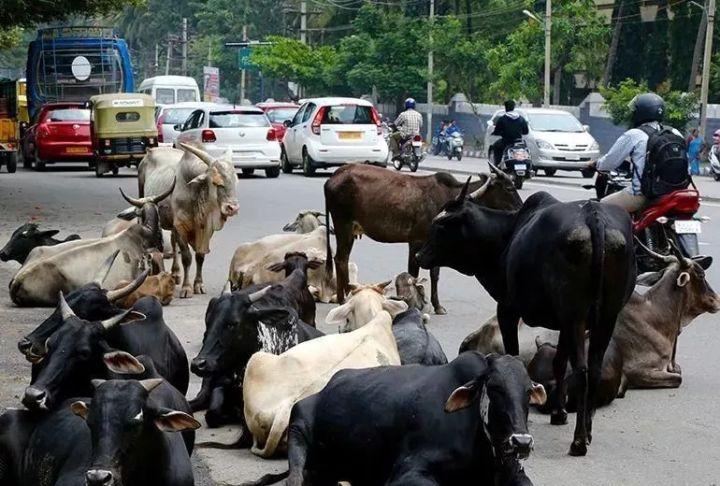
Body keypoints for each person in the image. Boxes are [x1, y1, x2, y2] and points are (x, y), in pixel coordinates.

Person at [592, 92, 686, 213]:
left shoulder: (634, 134)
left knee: (597, 208)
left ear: (640, 112)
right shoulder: (675, 132)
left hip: (643, 195)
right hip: (675, 193)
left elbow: (609, 163)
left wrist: (594, 165)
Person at [490, 100, 529, 166]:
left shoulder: (502, 119)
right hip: (518, 142)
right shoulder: (521, 119)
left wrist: (495, 133)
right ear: (514, 107)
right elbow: (526, 131)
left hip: (506, 142)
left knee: (495, 146)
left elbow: (497, 131)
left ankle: (497, 165)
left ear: (505, 108)